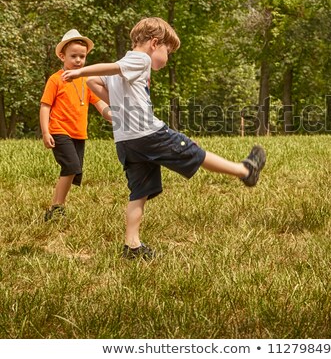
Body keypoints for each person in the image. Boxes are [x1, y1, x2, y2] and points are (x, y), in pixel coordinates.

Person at [61, 17, 266, 261]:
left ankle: (132, 245)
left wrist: (117, 107)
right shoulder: (140, 58)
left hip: (126, 141)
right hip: (148, 134)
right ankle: (244, 170)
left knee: (139, 191)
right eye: (167, 52)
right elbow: (97, 73)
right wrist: (80, 71)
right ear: (154, 43)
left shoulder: (125, 63)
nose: (167, 59)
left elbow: (95, 82)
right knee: (192, 151)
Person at [40, 29, 111, 221]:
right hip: (59, 131)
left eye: (82, 56)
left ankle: (58, 206)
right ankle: (56, 207)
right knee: (71, 167)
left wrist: (113, 116)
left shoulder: (87, 80)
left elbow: (99, 103)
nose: (78, 60)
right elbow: (45, 106)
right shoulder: (56, 79)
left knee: (74, 170)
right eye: (74, 56)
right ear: (62, 56)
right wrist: (46, 132)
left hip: (79, 134)